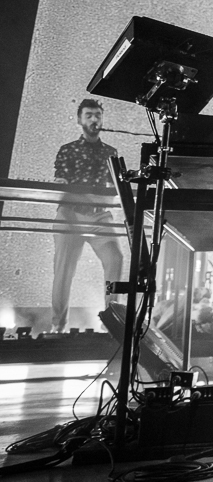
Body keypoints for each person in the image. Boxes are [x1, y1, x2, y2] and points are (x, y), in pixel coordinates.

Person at [51, 98, 124, 332]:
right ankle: (58, 325)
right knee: (63, 270)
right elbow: (61, 182)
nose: (94, 119)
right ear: (79, 120)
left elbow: (116, 187)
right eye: (89, 115)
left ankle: (111, 321)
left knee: (115, 259)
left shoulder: (111, 153)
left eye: (98, 115)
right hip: (70, 215)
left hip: (100, 215)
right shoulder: (68, 149)